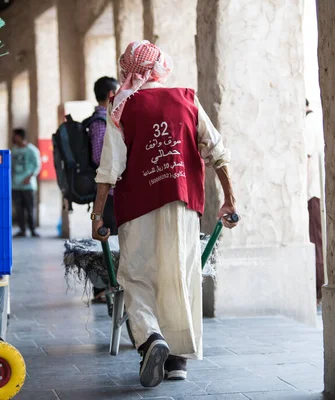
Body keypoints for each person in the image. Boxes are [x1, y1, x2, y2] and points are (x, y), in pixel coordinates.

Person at [91, 40, 238, 388]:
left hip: (138, 207)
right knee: (181, 275)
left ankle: (151, 337)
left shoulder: (121, 107)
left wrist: (98, 215)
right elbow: (218, 151)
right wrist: (230, 199)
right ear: (159, 66)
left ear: (127, 70)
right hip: (183, 205)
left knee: (136, 277)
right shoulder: (186, 99)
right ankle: (177, 362)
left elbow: (109, 170)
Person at [88, 76, 119, 303]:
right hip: (109, 194)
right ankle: (103, 287)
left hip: (110, 192)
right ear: (111, 94)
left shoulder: (105, 120)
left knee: (110, 239)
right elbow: (100, 157)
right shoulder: (100, 122)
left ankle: (107, 286)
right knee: (107, 239)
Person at [305, 99, 325, 302]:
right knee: (318, 239)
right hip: (317, 191)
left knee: (315, 239)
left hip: (312, 192)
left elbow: (307, 158)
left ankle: (319, 288)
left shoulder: (308, 122)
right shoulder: (315, 121)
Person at [11, 128, 41, 237]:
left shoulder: (32, 150)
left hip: (28, 186)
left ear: (20, 136)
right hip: (16, 184)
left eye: (15, 136)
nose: (13, 138)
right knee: (19, 209)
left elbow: (37, 166)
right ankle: (22, 230)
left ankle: (32, 229)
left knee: (30, 208)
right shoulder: (13, 151)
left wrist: (30, 177)